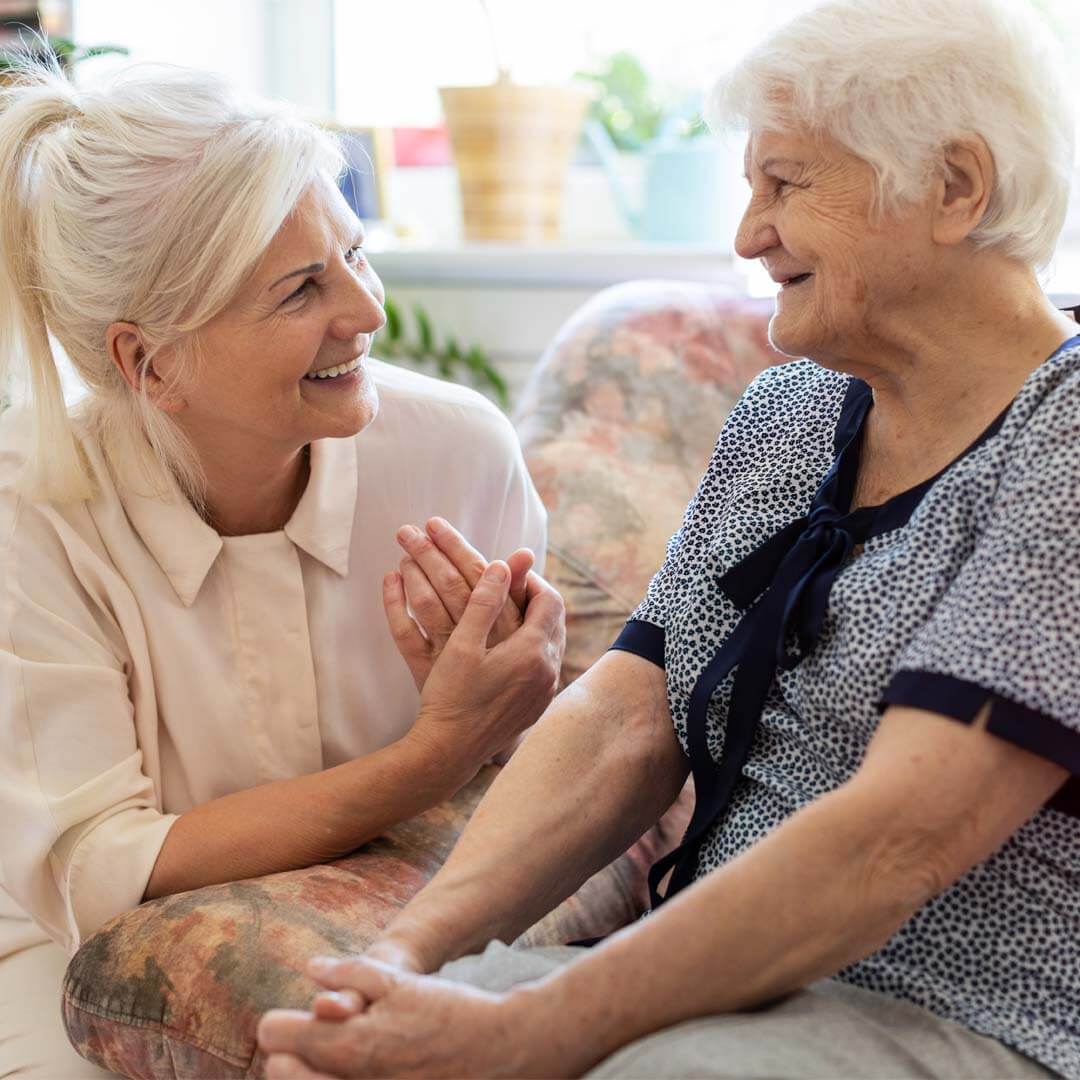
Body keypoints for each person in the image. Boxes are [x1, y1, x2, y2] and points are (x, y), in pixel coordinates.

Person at [257, 0, 1080, 1076]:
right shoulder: (788, 415)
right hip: (713, 985)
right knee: (321, 1061)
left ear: (955, 187)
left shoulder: (1064, 431)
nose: (747, 234)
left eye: (784, 183)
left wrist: (534, 1032)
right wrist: (406, 957)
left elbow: (901, 835)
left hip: (962, 1015)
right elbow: (622, 723)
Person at [0, 59, 565, 1078]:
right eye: (302, 288)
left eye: (354, 253)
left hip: (380, 915)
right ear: (150, 363)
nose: (367, 311)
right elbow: (98, 870)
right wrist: (432, 754)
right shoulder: (27, 515)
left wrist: (518, 702)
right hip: (65, 960)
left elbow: (532, 761)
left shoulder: (457, 451)